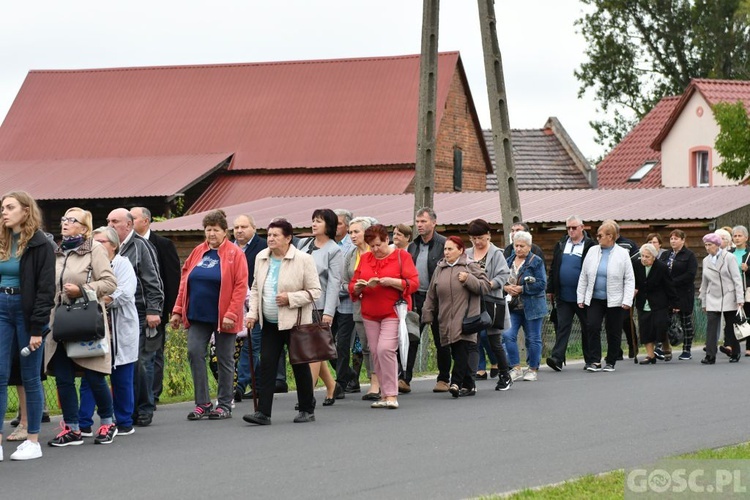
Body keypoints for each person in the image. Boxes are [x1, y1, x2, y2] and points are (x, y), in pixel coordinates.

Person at [45, 207, 118, 447]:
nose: (65, 223)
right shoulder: (56, 252)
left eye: (71, 220)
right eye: (64, 218)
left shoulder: (94, 249)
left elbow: (109, 282)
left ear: (84, 228)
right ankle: (73, 429)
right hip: (60, 324)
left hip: (85, 321)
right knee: (64, 378)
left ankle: (108, 422)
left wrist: (82, 291)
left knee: (94, 376)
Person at [170, 210, 248, 420]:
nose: (211, 233)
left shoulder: (235, 253)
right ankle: (202, 403)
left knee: (224, 358)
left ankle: (224, 404)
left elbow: (241, 286)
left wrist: (232, 312)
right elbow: (184, 283)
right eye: (208, 229)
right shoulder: (198, 251)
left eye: (216, 230)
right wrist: (177, 310)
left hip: (224, 315)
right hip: (197, 314)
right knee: (195, 353)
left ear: (225, 232)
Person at [243, 218, 321, 425]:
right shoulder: (262, 257)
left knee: (299, 365)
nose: (270, 239)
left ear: (288, 238)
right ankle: (263, 413)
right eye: (269, 235)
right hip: (269, 322)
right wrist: (252, 314)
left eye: (276, 235)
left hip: (294, 322)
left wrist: (291, 298)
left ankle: (306, 409)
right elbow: (256, 288)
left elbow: (315, 292)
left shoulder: (303, 259)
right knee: (267, 364)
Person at [0, 192, 55, 461]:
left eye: (10, 207)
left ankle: (33, 440)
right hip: (1, 307)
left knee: (30, 376)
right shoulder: (1, 240)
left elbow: (46, 290)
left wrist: (37, 328)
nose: (4, 213)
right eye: (2, 209)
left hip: (27, 311)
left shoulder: (40, 244)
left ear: (25, 210)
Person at [79, 227, 139, 436]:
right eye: (94, 242)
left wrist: (94, 298)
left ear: (114, 245)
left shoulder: (122, 264)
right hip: (94, 330)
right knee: (90, 376)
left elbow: (123, 293)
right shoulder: (88, 265)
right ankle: (83, 422)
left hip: (119, 330)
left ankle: (124, 421)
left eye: (101, 241)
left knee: (122, 378)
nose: (96, 246)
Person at [351, 224, 418, 409]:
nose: (374, 250)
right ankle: (383, 393)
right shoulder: (365, 258)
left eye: (378, 245)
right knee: (375, 353)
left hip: (393, 311)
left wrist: (393, 282)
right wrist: (358, 287)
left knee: (385, 349)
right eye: (371, 246)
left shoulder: (401, 256)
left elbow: (413, 283)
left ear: (387, 240)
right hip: (369, 312)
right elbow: (352, 284)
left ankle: (391, 394)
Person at [107, 208, 164, 427]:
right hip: (114, 313)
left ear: (129, 225)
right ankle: (125, 409)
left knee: (141, 362)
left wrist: (154, 310)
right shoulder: (107, 248)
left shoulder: (140, 246)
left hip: (140, 312)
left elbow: (153, 280)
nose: (111, 225)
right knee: (121, 362)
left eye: (115, 221)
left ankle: (144, 407)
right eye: (108, 221)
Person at [423, 236, 490, 397]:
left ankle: (455, 383)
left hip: (466, 319)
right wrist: (427, 313)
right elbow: (431, 294)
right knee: (456, 352)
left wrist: (469, 279)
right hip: (445, 319)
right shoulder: (440, 269)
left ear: (460, 250)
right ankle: (469, 384)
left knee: (461, 350)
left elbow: (485, 286)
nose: (446, 252)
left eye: (450, 249)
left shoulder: (470, 266)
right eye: (445, 249)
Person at [130, 207, 181, 406]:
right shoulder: (126, 245)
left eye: (132, 218)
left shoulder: (162, 244)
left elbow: (171, 277)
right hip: (133, 308)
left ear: (145, 221)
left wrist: (169, 309)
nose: (129, 221)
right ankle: (140, 393)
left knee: (154, 351)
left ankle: (153, 393)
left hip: (155, 308)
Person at [297, 209, 344, 406]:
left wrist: (329, 313)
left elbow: (334, 283)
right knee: (313, 351)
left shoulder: (335, 250)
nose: (314, 224)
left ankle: (307, 395)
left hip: (321, 305)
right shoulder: (303, 244)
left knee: (313, 352)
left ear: (329, 226)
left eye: (319, 221)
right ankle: (332, 386)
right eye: (313, 220)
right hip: (301, 303)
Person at [577, 221, 635, 372]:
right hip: (595, 298)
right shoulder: (592, 251)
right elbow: (583, 275)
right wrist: (581, 297)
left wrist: (627, 299)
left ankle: (611, 360)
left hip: (615, 299)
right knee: (592, 326)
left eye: (600, 235)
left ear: (610, 236)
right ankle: (595, 360)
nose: (598, 238)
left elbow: (629, 278)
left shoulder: (622, 254)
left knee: (613, 330)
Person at [465, 218, 513, 391]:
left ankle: (505, 375)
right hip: (472, 304)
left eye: (480, 238)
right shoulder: (467, 253)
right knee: (472, 342)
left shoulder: (497, 253)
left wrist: (488, 285)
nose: (477, 242)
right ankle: (470, 378)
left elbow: (504, 275)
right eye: (473, 238)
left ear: (488, 235)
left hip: (492, 303)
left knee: (495, 342)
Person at [546, 215, 595, 372]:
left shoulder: (590, 245)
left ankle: (590, 360)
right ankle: (557, 358)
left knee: (587, 327)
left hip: (583, 296)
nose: (571, 231)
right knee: (562, 327)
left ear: (582, 227)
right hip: (564, 296)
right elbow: (554, 267)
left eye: (574, 227)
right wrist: (551, 289)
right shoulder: (561, 244)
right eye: (568, 228)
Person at [407, 207, 447, 392]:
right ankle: (404, 379)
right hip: (416, 298)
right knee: (411, 338)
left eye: (423, 221)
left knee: (441, 340)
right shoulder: (413, 245)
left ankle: (443, 379)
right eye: (417, 221)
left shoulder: (443, 245)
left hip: (438, 299)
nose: (419, 225)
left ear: (433, 222)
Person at [502, 231, 548, 381]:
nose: (518, 249)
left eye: (522, 246)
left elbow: (541, 284)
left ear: (529, 247)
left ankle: (533, 368)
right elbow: (501, 279)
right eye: (516, 245)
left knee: (533, 338)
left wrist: (523, 288)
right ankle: (515, 367)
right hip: (513, 307)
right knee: (508, 335)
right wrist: (506, 288)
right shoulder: (508, 260)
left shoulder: (536, 261)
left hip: (532, 306)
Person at [344, 216, 379, 398]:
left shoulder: (376, 252)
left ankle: (379, 381)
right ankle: (372, 379)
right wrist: (353, 287)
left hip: (378, 304)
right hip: (358, 305)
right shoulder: (351, 255)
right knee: (365, 346)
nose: (352, 235)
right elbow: (344, 282)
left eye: (356, 231)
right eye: (350, 232)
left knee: (379, 346)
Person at [232, 214, 266, 399]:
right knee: (245, 347)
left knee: (250, 346)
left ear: (253, 227)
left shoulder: (262, 247)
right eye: (236, 227)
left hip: (257, 304)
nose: (239, 231)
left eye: (243, 227)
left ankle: (239, 385)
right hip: (236, 306)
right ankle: (260, 384)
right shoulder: (228, 248)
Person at [699, 233, 744, 364]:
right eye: (706, 245)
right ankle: (710, 355)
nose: (707, 248)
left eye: (710, 245)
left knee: (731, 326)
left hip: (729, 295)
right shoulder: (706, 260)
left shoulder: (729, 257)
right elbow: (704, 282)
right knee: (711, 326)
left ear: (717, 245)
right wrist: (704, 301)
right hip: (713, 295)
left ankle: (735, 352)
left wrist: (739, 298)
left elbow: (737, 278)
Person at [633, 244, 679, 364]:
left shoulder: (661, 267)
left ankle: (666, 348)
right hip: (643, 302)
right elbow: (634, 282)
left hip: (659, 302)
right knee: (645, 329)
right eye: (642, 256)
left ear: (654, 257)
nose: (644, 259)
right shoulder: (637, 265)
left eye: (647, 257)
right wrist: (634, 290)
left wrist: (674, 303)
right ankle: (650, 355)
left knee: (660, 327)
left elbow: (669, 286)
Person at [658, 229, 698, 360]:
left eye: (676, 238)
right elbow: (660, 269)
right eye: (671, 239)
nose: (673, 241)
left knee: (685, 321)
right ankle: (662, 348)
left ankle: (687, 349)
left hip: (683, 293)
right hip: (667, 294)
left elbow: (690, 274)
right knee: (664, 320)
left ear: (682, 240)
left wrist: (672, 282)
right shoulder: (666, 254)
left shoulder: (689, 255)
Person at [730, 225, 750, 356]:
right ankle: (731, 345)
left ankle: (749, 346)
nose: (737, 239)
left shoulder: (749, 253)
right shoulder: (729, 253)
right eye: (735, 236)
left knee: (748, 317)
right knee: (732, 318)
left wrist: (748, 269)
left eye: (739, 236)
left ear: (746, 238)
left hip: (747, 288)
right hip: (731, 288)